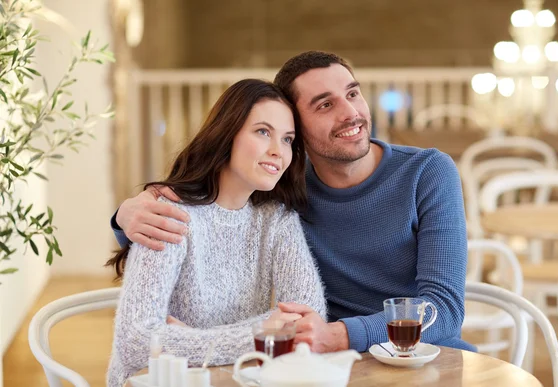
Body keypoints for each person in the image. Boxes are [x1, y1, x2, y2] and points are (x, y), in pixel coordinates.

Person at [111, 51, 475, 354]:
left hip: (421, 357)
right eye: (325, 105)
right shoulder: (282, 188)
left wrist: (338, 334)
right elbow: (209, 217)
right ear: (297, 131)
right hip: (328, 364)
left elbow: (442, 309)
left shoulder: (428, 172)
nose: (350, 113)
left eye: (352, 94)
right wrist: (125, 217)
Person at [106, 79, 327, 387]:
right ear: (227, 134)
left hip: (236, 379)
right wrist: (260, 330)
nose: (278, 151)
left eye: (288, 139)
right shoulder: (168, 212)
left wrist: (189, 340)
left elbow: (307, 319)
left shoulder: (276, 219)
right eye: (263, 132)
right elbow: (137, 342)